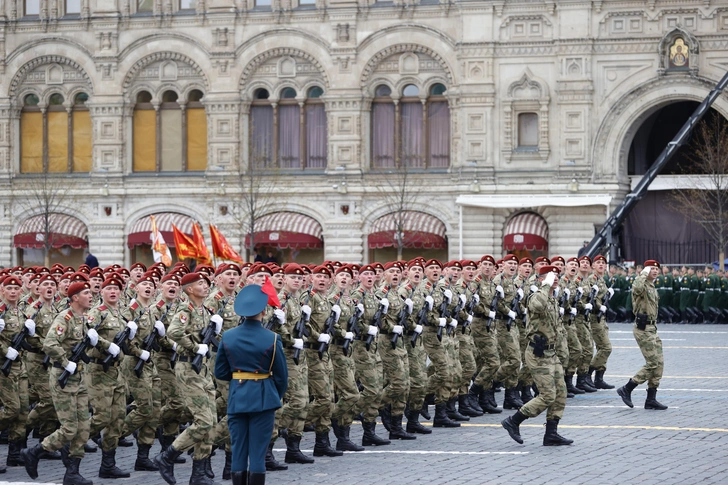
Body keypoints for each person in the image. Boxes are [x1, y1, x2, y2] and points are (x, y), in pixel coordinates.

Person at [22, 279, 99, 485]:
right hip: (64, 378)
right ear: (75, 298)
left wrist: (99, 344)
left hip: (80, 379)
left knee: (83, 428)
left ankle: (72, 473)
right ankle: (35, 452)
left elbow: (85, 345)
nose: (91, 296)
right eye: (86, 293)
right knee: (69, 429)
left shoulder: (83, 319)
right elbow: (49, 343)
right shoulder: (64, 318)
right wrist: (65, 362)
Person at [215, 284, 288, 485]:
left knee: (238, 450)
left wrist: (239, 379)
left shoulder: (228, 336)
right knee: (257, 452)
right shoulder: (272, 338)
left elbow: (220, 372)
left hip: (237, 396)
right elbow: (282, 376)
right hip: (264, 398)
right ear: (264, 311)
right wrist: (274, 394)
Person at [501, 265, 573, 446]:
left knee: (560, 393)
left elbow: (558, 328)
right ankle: (514, 421)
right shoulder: (536, 297)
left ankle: (551, 433)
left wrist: (563, 352)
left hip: (552, 353)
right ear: (541, 279)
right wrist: (545, 286)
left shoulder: (552, 299)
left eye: (556, 276)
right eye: (550, 276)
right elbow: (537, 305)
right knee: (548, 395)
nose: (555, 279)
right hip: (537, 353)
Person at [617, 260, 667, 410]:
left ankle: (651, 399)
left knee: (659, 364)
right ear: (645, 271)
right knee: (653, 363)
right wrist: (643, 273)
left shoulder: (652, 286)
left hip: (652, 327)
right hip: (643, 328)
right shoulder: (641, 285)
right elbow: (637, 286)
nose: (655, 271)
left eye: (657, 268)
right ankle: (627, 388)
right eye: (652, 268)